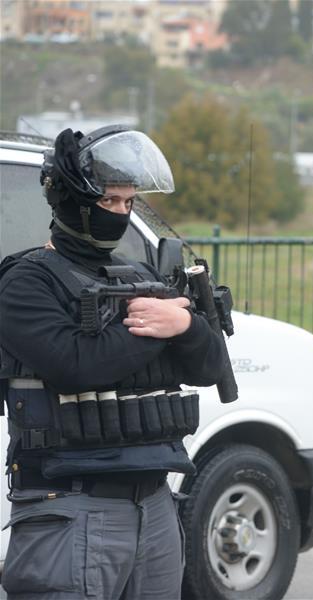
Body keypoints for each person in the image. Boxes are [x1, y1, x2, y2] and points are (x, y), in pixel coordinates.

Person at [0, 125, 227, 599]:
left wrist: (185, 326)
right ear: (72, 202)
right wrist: (154, 328)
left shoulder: (138, 275)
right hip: (71, 504)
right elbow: (76, 366)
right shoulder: (26, 283)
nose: (121, 213)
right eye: (109, 201)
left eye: (128, 202)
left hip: (155, 502)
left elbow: (208, 369)